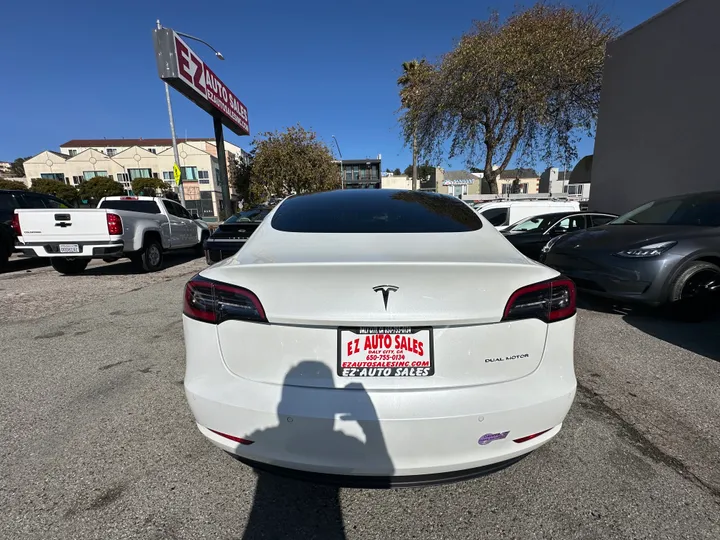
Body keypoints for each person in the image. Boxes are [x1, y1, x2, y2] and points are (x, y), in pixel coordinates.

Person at [241, 362, 393, 539]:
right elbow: (383, 463)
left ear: (281, 406)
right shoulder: (349, 444)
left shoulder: (262, 436)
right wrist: (369, 421)